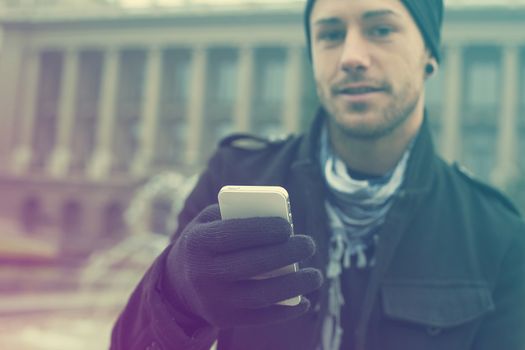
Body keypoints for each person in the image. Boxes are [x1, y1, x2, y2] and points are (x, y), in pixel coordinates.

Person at [111, 0, 525, 349]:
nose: (351, 57)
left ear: (430, 55)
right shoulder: (234, 179)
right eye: (329, 35)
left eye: (381, 30)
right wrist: (175, 298)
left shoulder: (496, 233)